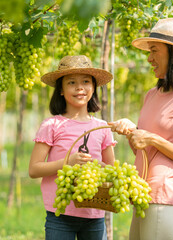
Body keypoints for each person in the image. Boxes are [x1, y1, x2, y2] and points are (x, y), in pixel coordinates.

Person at [108, 18, 173, 240]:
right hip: (143, 196)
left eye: (154, 50)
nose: (149, 58)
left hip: (165, 202)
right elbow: (145, 152)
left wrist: (153, 139)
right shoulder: (152, 95)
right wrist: (132, 132)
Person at [29, 55, 116, 240]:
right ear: (61, 89)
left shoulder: (102, 127)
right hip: (59, 215)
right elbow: (34, 169)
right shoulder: (51, 125)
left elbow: (112, 171)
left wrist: (96, 166)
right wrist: (68, 162)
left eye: (86, 81)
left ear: (93, 87)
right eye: (71, 83)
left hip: (95, 214)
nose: (79, 88)